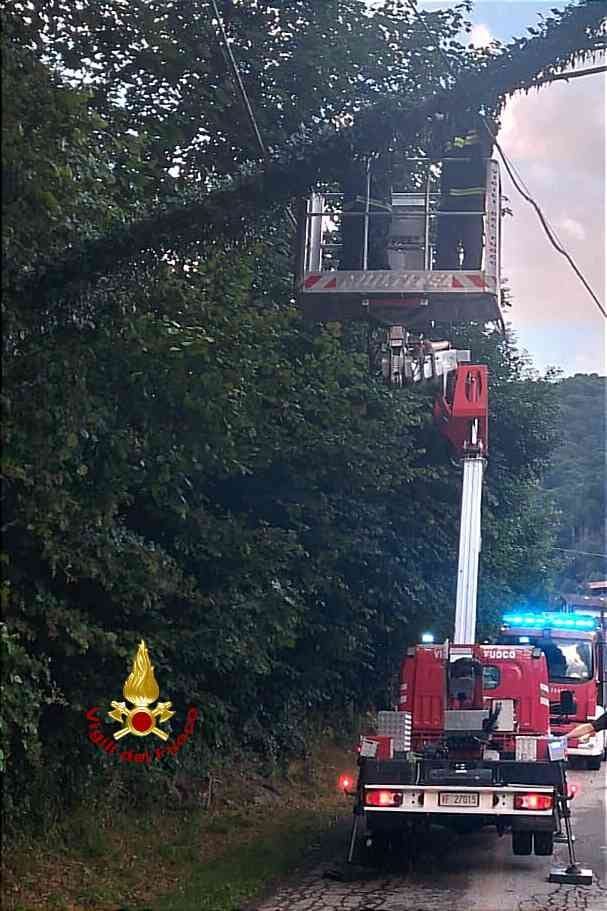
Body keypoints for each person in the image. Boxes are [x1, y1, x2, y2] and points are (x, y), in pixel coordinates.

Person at [434, 125, 492, 270]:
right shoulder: (448, 128)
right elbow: (434, 152)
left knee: (471, 241)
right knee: (448, 241)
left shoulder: (478, 128)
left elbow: (484, 152)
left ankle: (469, 271)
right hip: (451, 197)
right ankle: (448, 270)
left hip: (471, 197)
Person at [340, 157, 392, 271]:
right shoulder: (383, 180)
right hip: (373, 220)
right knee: (374, 248)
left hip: (360, 219)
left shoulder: (354, 178)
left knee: (355, 248)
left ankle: (353, 266)